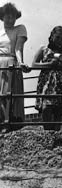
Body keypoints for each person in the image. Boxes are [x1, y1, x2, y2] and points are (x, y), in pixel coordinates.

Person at [32, 26, 62, 130]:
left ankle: (56, 135)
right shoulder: (44, 49)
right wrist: (49, 64)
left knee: (58, 110)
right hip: (47, 83)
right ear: (52, 36)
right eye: (58, 37)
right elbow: (34, 64)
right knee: (47, 107)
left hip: (59, 84)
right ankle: (47, 133)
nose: (59, 41)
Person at [0, 2, 28, 132]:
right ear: (2, 17)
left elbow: (18, 48)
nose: (10, 20)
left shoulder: (20, 28)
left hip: (10, 62)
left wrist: (20, 62)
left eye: (13, 17)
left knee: (8, 93)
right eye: (7, 17)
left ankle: (9, 122)